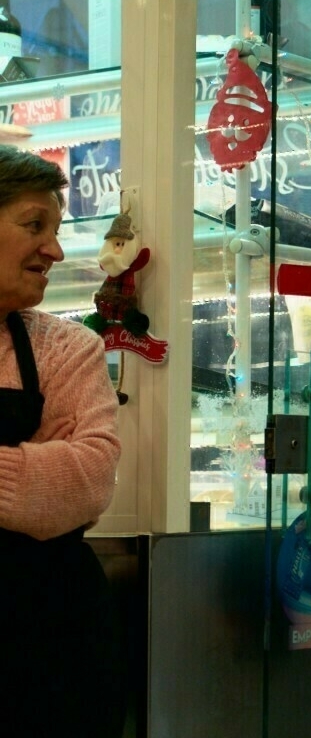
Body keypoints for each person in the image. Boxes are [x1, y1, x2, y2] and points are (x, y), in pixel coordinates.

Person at [0, 145, 125, 736]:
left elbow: (91, 474)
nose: (54, 249)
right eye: (34, 225)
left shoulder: (69, 348)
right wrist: (31, 474)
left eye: (56, 229)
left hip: (53, 646)